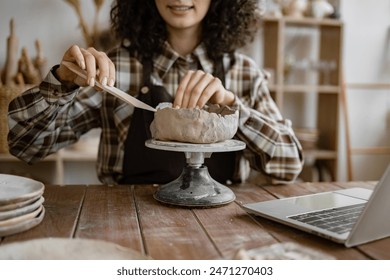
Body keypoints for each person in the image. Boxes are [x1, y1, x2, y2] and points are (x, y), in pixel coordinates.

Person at [7, 0, 303, 185]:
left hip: (222, 228)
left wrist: (231, 106)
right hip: (126, 224)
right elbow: (27, 146)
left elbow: (289, 166)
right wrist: (62, 82)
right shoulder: (115, 70)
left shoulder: (244, 72)